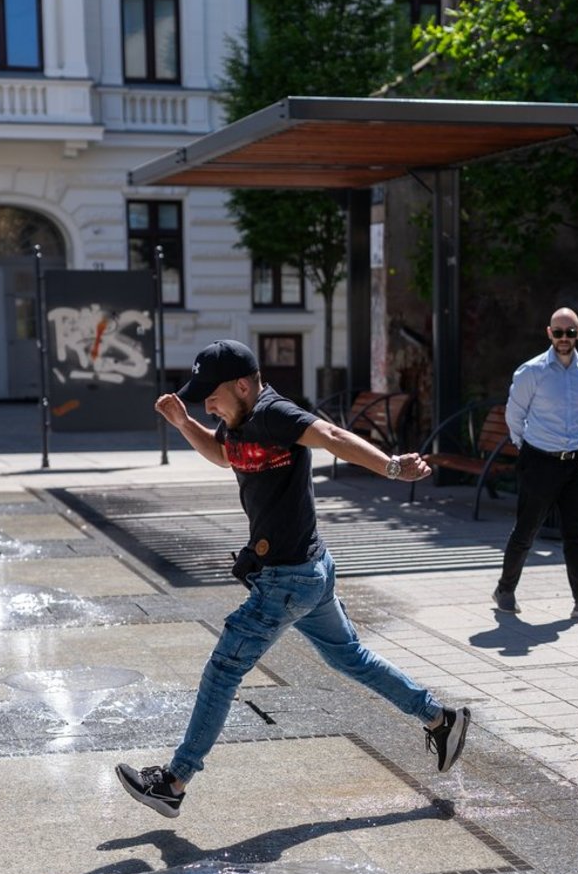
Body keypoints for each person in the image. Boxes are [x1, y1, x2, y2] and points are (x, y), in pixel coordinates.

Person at [116, 340, 470, 818]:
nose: (208, 404)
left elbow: (329, 434)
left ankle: (174, 781)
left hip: (288, 578)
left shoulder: (275, 413)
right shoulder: (237, 420)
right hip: (311, 569)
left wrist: (389, 467)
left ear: (243, 385)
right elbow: (224, 455)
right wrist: (184, 425)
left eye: (213, 395)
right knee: (351, 659)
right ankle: (439, 718)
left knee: (223, 670)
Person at [492, 307, 578, 619]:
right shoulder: (531, 371)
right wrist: (528, 447)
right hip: (540, 460)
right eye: (559, 332)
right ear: (549, 333)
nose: (565, 338)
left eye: (571, 332)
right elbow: (515, 414)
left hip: (576, 461)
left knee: (577, 533)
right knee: (527, 530)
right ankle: (505, 589)